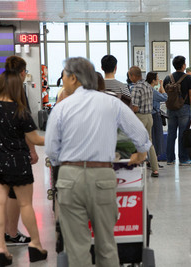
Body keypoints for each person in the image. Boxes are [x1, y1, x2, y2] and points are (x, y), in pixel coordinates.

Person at [45, 57, 151, 266]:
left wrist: (66, 163)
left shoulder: (62, 107)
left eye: (64, 76)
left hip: (70, 177)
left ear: (73, 78)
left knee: (77, 247)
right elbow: (140, 133)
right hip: (102, 176)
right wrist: (141, 153)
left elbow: (51, 150)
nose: (63, 80)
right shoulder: (111, 103)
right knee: (107, 244)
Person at [0, 70, 46, 266]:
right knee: (25, 204)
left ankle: (1, 249)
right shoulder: (20, 110)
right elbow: (35, 139)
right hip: (17, 163)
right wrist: (57, 138)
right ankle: (36, 245)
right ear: (17, 87)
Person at [0, 56, 36, 246]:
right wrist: (33, 150)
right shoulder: (19, 94)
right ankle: (13, 233)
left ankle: (2, 243)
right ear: (22, 72)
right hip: (16, 157)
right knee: (20, 199)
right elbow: (27, 128)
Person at [163, 55, 191, 166]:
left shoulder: (168, 78)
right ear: (183, 65)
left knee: (171, 134)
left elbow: (164, 93)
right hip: (184, 108)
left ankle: (170, 159)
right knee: (183, 134)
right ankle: (183, 159)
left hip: (171, 109)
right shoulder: (188, 78)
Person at [129, 66, 160, 177]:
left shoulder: (136, 87)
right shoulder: (148, 86)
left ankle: (136, 168)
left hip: (140, 118)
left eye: (129, 75)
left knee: (136, 142)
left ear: (133, 76)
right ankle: (155, 169)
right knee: (149, 142)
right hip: (149, 117)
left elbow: (135, 107)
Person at [146, 72, 167, 160]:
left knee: (151, 137)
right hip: (155, 116)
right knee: (157, 138)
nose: (158, 80)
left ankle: (149, 159)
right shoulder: (153, 91)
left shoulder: (147, 89)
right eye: (157, 78)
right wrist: (162, 86)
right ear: (153, 80)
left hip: (148, 115)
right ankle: (154, 159)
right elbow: (165, 97)